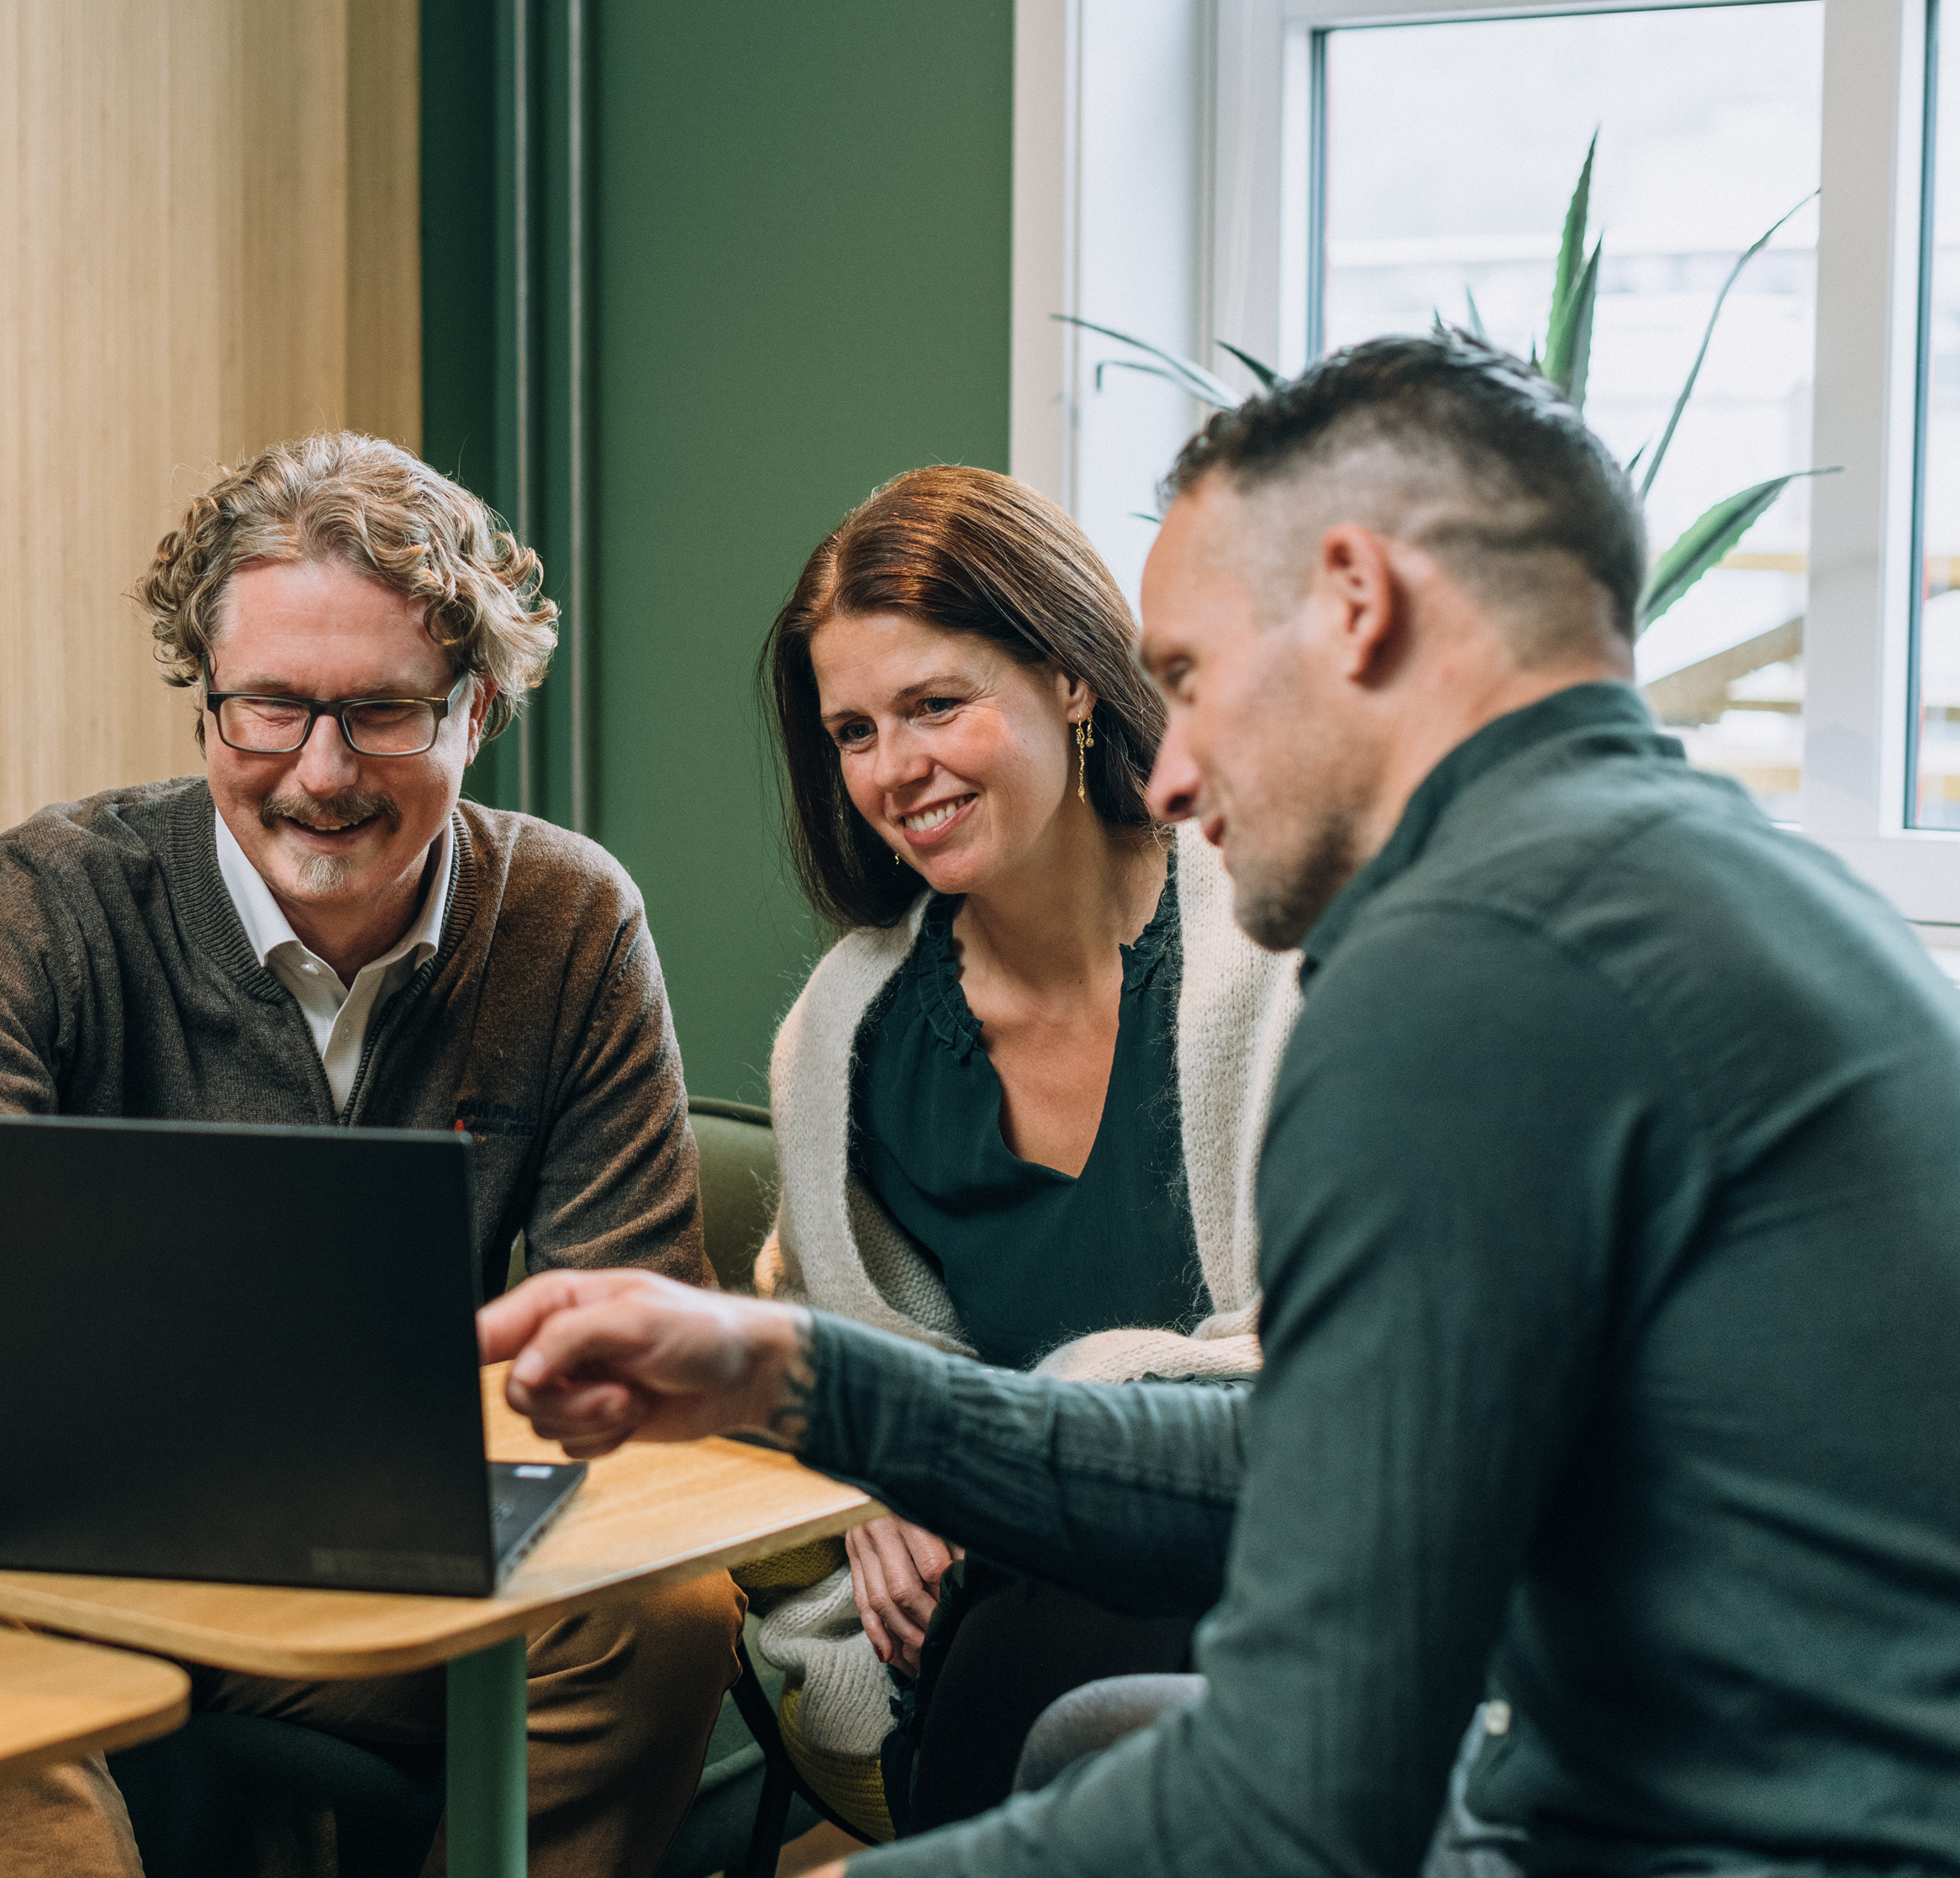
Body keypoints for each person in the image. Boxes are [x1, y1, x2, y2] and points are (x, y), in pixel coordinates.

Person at [472, 334, 1960, 1876]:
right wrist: (794, 1375)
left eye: (1185, 679)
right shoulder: (1694, 882)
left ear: (1358, 604)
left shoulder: (1465, 969)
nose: (1170, 770)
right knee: (1074, 1737)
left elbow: (1304, 1798)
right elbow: (1292, 1455)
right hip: (1687, 1789)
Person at [0, 431, 744, 1878]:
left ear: (475, 707)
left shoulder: (568, 922)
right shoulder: (45, 897)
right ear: (205, 700)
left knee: (670, 1615)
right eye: (269, 709)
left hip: (394, 1545)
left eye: (384, 715)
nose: (322, 772)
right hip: (63, 1546)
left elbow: (631, 1337)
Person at [744, 466, 1296, 1840]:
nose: (895, 768)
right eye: (853, 730)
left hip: (1270, 1546)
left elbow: (1350, 1357)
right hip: (987, 1610)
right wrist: (885, 1476)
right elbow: (823, 1347)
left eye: (938, 703)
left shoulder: (1281, 949)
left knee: (1070, 1625)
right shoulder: (846, 1039)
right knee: (1030, 1637)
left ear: (1071, 679)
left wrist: (995, 1458)